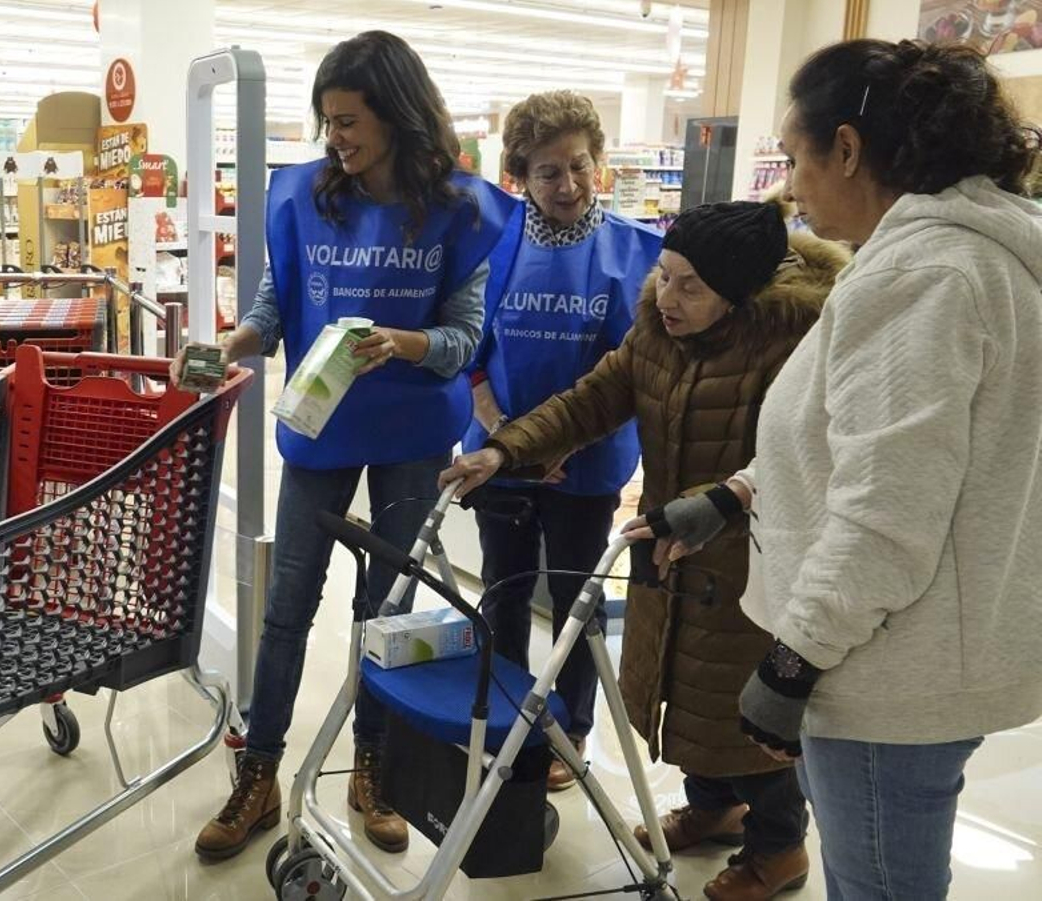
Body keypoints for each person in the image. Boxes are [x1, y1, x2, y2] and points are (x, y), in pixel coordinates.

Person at [627, 39, 1042, 900]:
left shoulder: (925, 275)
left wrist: (792, 662)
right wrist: (736, 494)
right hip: (931, 646)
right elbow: (860, 440)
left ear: (847, 149)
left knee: (881, 884)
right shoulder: (971, 255)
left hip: (889, 673)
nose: (789, 183)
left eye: (795, 154)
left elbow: (888, 510)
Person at [444, 201, 850, 900]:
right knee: (676, 688)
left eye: (690, 285)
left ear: (739, 292)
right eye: (663, 276)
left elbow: (804, 457)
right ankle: (716, 805)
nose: (667, 297)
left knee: (741, 707)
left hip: (754, 556)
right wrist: (503, 449)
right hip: (670, 547)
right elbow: (589, 401)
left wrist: (715, 503)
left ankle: (779, 847)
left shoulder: (793, 344)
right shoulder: (657, 334)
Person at [178, 30, 515, 860]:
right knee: (287, 607)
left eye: (351, 119)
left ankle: (373, 767)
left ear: (398, 114)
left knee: (382, 614)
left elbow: (465, 338)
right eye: (328, 120)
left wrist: (403, 344)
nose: (338, 136)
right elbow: (273, 305)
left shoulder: (458, 212)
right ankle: (259, 773)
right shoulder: (308, 198)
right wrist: (233, 343)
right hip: (318, 428)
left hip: (411, 432)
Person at [462, 91, 662, 791]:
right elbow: (470, 348)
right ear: (518, 175)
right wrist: (500, 431)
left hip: (589, 460)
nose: (568, 185)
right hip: (500, 454)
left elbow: (637, 368)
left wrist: (565, 445)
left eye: (579, 165)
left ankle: (569, 730)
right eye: (548, 172)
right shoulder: (494, 243)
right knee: (504, 591)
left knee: (577, 598)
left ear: (598, 163)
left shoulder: (639, 253)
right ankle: (506, 711)